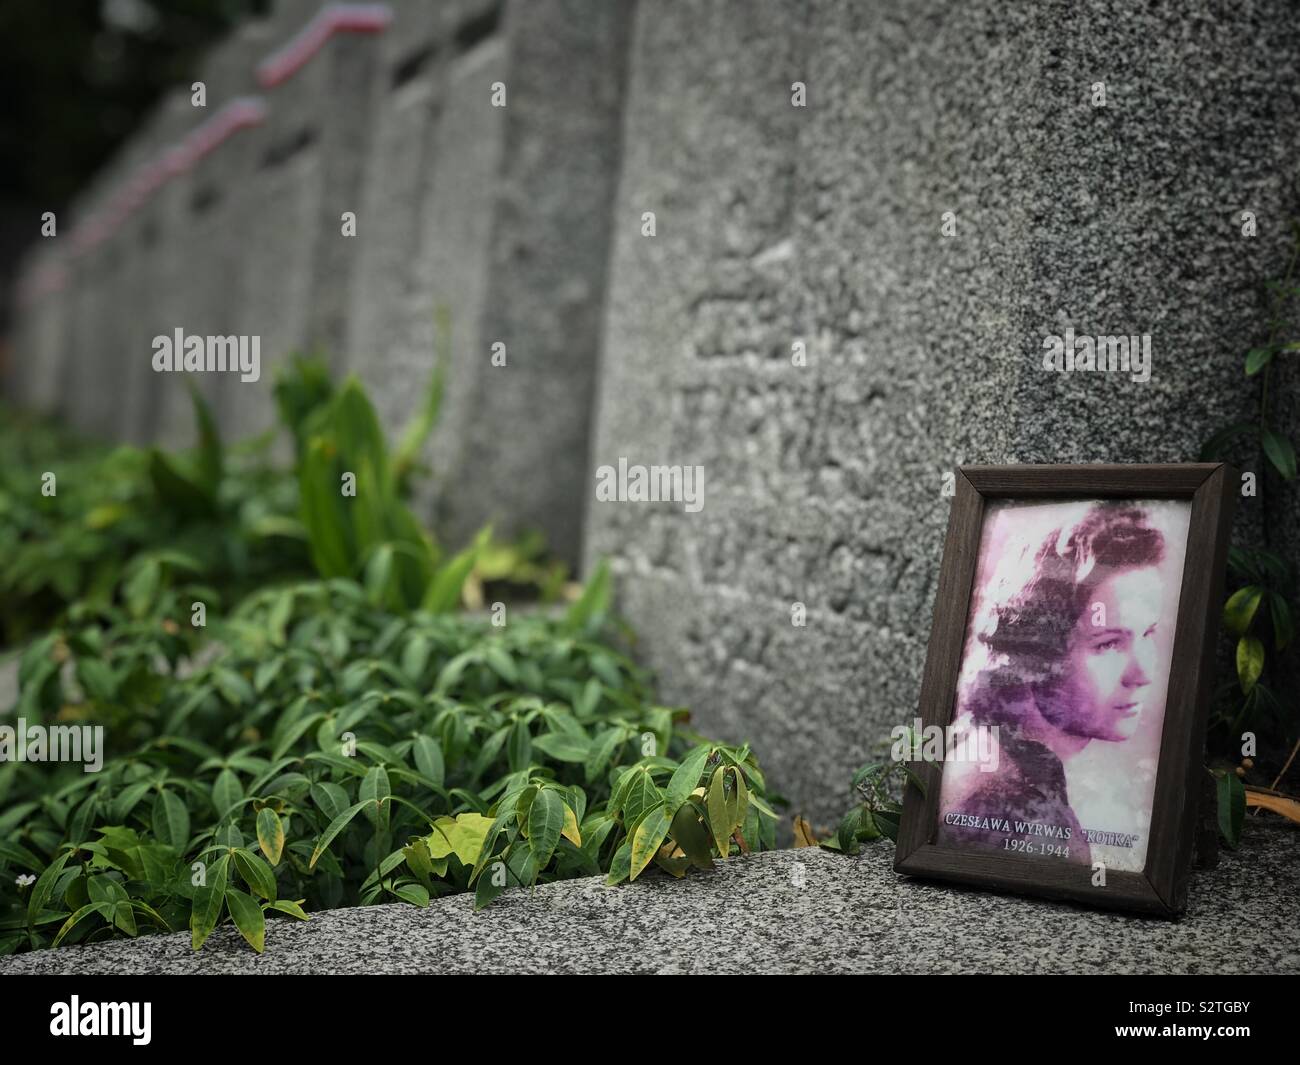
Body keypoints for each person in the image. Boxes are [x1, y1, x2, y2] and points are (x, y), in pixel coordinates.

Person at [936, 502, 1168, 865]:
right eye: (1108, 644)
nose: (1143, 673)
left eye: (1148, 632)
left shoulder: (996, 750)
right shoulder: (1017, 808)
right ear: (1036, 649)